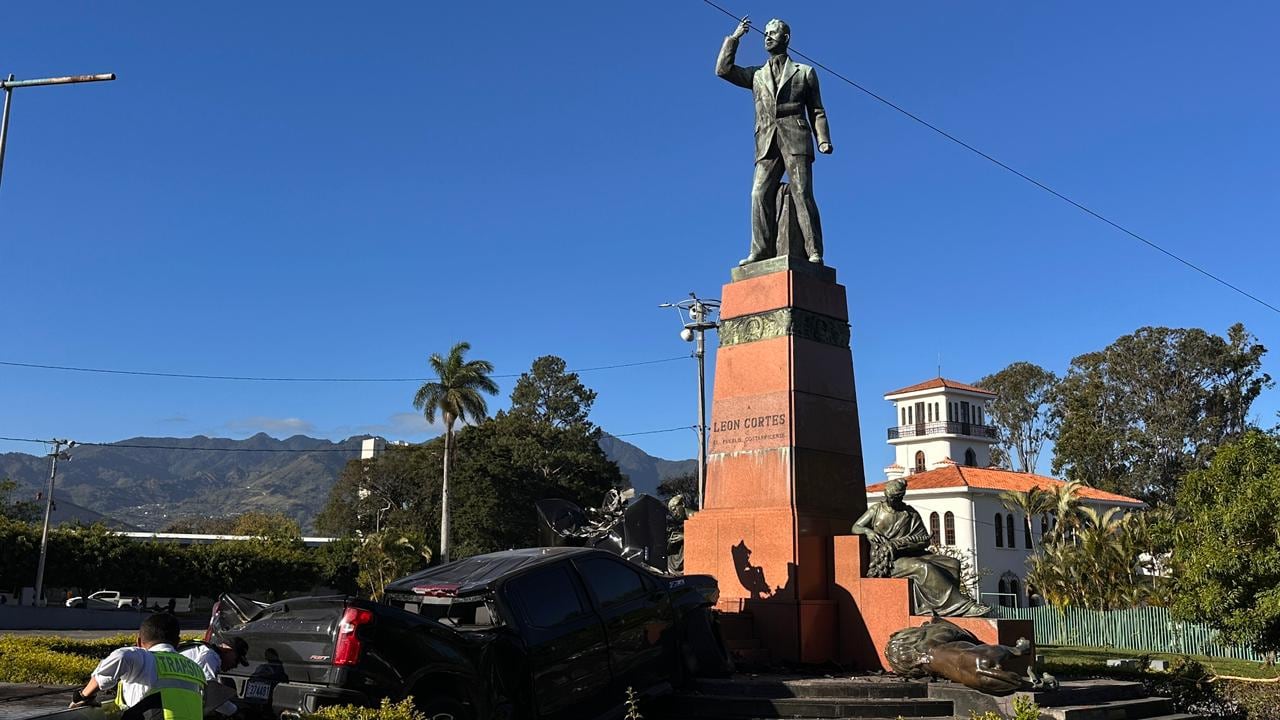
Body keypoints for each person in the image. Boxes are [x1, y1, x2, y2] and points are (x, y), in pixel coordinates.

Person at [716, 16, 833, 266]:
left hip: (796, 138)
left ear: (785, 38)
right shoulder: (756, 74)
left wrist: (823, 139)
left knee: (802, 193)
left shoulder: (805, 72)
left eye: (772, 33)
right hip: (767, 140)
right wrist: (735, 38)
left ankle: (814, 251)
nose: (767, 37)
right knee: (758, 193)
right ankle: (760, 251)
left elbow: (817, 110)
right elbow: (723, 70)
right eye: (765, 33)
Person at [850, 478, 991, 617]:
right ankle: (962, 606)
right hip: (890, 561)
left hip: (910, 553)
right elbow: (856, 527)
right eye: (889, 497)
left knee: (952, 563)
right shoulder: (876, 510)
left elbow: (924, 540)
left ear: (901, 496)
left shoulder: (910, 514)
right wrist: (868, 531)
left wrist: (907, 544)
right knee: (923, 567)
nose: (891, 500)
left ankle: (947, 609)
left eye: (895, 498)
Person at [69, 613, 206, 720]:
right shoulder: (195, 669)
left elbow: (122, 657)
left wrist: (83, 696)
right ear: (177, 642)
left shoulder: (145, 658)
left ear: (139, 642)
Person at [179, 637, 249, 682]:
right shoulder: (210, 656)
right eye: (237, 660)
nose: (235, 666)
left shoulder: (210, 653)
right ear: (228, 650)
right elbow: (208, 689)